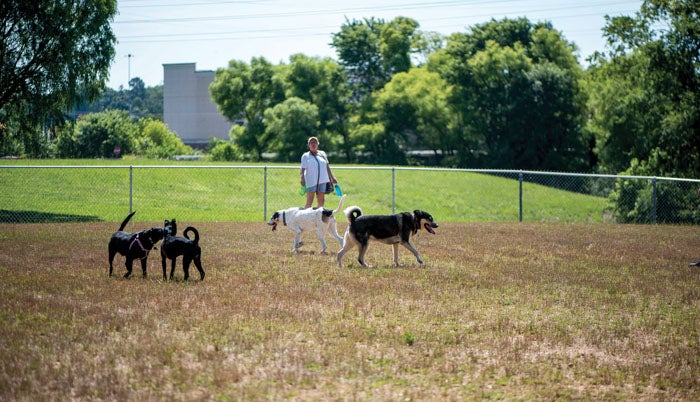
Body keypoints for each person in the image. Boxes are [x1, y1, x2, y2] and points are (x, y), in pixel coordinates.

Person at [300, 136, 337, 208]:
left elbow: (327, 167)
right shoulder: (305, 156)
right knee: (309, 202)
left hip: (322, 180)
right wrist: (302, 178)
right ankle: (305, 217)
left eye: (315, 142)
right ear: (309, 145)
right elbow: (302, 168)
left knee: (321, 201)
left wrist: (332, 177)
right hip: (311, 181)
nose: (313, 144)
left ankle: (319, 217)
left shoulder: (322, 154)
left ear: (318, 144)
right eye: (311, 143)